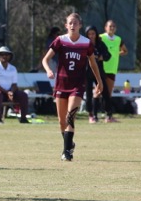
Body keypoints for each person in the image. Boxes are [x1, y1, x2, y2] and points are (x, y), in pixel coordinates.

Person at [42, 13, 103, 161]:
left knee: (70, 117)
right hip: (61, 84)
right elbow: (46, 59)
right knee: (61, 121)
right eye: (70, 23)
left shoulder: (86, 43)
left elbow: (93, 63)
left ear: (80, 25)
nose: (72, 25)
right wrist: (49, 70)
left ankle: (66, 152)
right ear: (66, 25)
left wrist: (99, 81)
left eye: (75, 23)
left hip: (77, 85)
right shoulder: (60, 41)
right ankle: (69, 143)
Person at [0, 46, 30, 124]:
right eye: (2, 54)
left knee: (23, 95)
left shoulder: (13, 68)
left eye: (6, 54)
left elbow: (14, 84)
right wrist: (7, 92)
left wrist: (11, 92)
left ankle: (23, 119)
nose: (4, 56)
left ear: (10, 56)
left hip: (8, 93)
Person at [100, 20, 128, 122]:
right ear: (105, 27)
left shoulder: (118, 39)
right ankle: (93, 114)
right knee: (98, 92)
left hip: (112, 69)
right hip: (101, 68)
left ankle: (108, 116)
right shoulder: (101, 37)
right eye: (110, 26)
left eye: (113, 26)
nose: (112, 28)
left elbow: (125, 51)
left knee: (109, 93)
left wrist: (116, 54)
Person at [84, 25, 112, 124]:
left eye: (93, 34)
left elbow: (108, 55)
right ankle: (91, 115)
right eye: (89, 34)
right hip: (87, 73)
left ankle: (108, 115)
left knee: (105, 92)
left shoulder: (100, 44)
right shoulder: (84, 44)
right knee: (89, 94)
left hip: (98, 72)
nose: (91, 36)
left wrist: (101, 57)